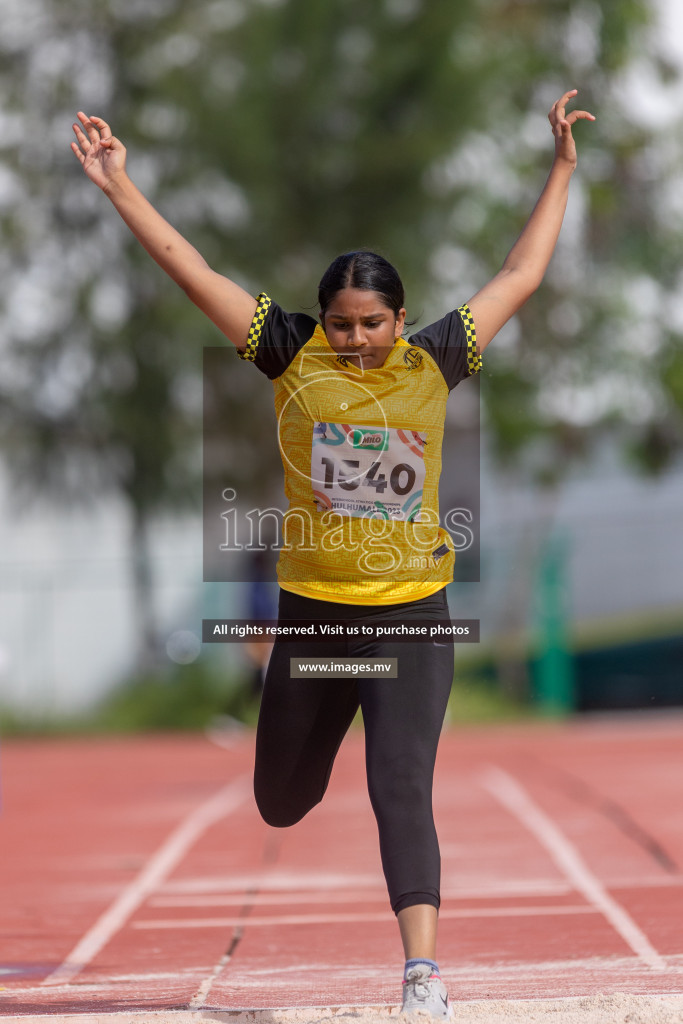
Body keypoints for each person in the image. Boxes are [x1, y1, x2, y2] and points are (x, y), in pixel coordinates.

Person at [71, 89, 594, 1019]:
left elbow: (518, 275)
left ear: (400, 319)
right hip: (314, 620)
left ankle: (421, 976)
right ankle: (310, 748)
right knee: (279, 799)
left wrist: (558, 168)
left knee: (400, 786)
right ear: (321, 321)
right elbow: (190, 268)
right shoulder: (287, 354)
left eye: (372, 322)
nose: (356, 340)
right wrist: (120, 185)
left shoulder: (436, 360)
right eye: (343, 323)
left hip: (407, 618)